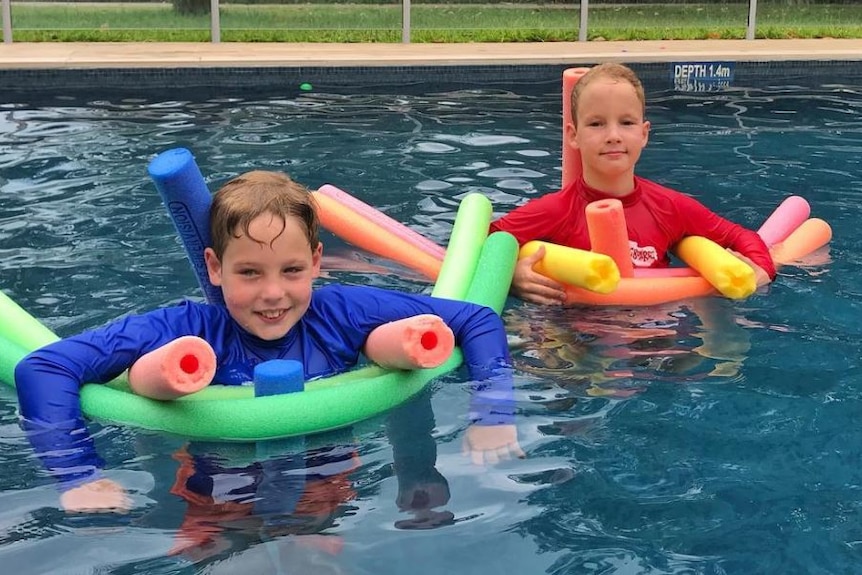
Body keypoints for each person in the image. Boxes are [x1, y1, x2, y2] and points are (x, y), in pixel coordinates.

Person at [14, 170, 522, 514]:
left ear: (317, 262)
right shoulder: (184, 329)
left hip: (327, 491)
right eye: (250, 272)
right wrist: (78, 475)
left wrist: (492, 415)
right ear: (215, 268)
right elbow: (45, 368)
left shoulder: (342, 310)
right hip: (208, 497)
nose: (273, 293)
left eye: (292, 270)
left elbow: (475, 320)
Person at [489, 62, 777, 306]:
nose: (613, 135)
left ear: (644, 133)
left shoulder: (669, 207)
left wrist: (761, 269)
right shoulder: (556, 210)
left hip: (655, 331)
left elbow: (738, 235)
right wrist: (511, 275)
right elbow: (489, 239)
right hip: (576, 331)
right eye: (596, 124)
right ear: (573, 135)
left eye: (626, 123)